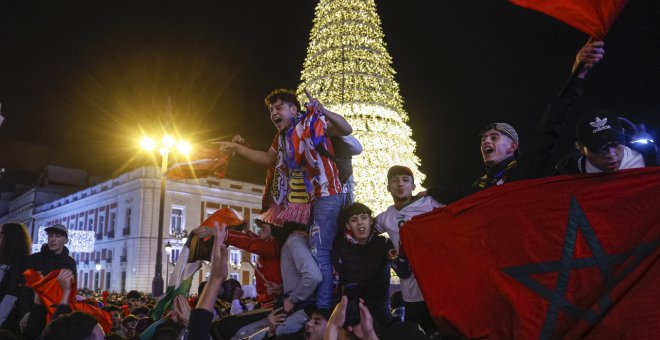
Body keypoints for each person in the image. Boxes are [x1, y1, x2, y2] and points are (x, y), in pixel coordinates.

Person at [217, 88, 353, 311]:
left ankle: (323, 309)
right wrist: (236, 148)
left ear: (293, 109)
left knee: (320, 251)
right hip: (310, 202)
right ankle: (317, 304)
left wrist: (322, 109)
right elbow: (267, 159)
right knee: (315, 252)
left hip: (329, 195)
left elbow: (346, 128)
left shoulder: (311, 123)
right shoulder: (280, 138)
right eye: (271, 109)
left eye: (278, 107)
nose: (273, 113)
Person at [464, 41, 606, 196]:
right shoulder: (477, 187)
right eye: (484, 138)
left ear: (512, 146)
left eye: (494, 137)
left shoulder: (528, 167)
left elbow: (550, 125)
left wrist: (577, 75)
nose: (486, 141)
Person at [375, 166, 444, 333]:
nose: (400, 184)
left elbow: (460, 210)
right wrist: (388, 250)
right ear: (388, 187)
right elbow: (363, 232)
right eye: (395, 180)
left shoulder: (430, 204)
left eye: (405, 180)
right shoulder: (385, 217)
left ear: (413, 186)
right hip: (411, 294)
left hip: (436, 289)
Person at [333, 203, 401, 329]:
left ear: (370, 221)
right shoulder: (339, 248)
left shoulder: (384, 243)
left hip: (382, 313)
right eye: (354, 220)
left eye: (363, 217)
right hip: (353, 317)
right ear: (348, 225)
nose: (359, 223)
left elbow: (403, 272)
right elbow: (334, 284)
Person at [554, 110, 658, 173]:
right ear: (581, 149)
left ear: (623, 135)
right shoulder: (569, 171)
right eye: (599, 148)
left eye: (615, 144)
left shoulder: (652, 158)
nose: (611, 155)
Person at [0, 223, 32, 335]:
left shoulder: (18, 265)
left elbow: (10, 296)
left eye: (1, 234)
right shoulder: (5, 261)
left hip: (6, 325)